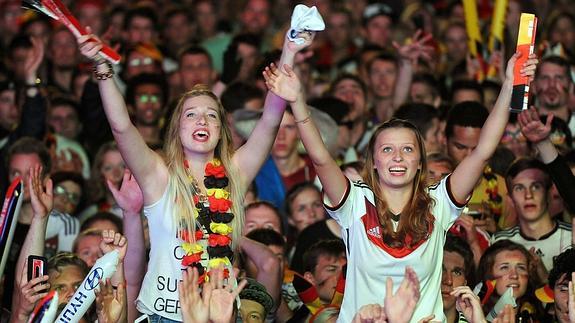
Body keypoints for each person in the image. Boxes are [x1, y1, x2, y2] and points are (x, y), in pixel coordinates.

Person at [264, 48, 538, 321]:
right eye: (387, 150)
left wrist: (507, 86)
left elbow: (482, 151)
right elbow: (321, 159)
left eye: (407, 149)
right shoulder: (354, 203)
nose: (397, 157)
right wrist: (297, 100)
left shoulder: (439, 202)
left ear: (420, 161)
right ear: (373, 161)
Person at [77, 24, 314, 321]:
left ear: (220, 130)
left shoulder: (235, 173)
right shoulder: (158, 175)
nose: (201, 119)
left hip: (221, 312)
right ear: (177, 128)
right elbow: (122, 128)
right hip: (163, 315)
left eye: (211, 115)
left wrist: (289, 50)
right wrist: (102, 67)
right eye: (191, 114)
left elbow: (269, 121)